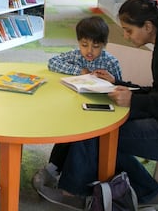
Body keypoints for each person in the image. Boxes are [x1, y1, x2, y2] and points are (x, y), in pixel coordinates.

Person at [37, 0, 158, 209]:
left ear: (148, 26)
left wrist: (134, 100)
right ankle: (146, 190)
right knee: (97, 118)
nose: (125, 36)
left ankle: (73, 191)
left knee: (99, 131)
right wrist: (119, 83)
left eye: (129, 30)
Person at [34, 16, 122, 189]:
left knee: (81, 135)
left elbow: (120, 87)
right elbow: (53, 63)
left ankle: (61, 171)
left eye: (96, 46)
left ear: (104, 44)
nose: (89, 51)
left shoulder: (111, 62)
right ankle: (54, 167)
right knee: (68, 128)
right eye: (84, 44)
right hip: (74, 104)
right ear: (78, 42)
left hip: (100, 110)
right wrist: (79, 71)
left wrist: (112, 80)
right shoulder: (76, 56)